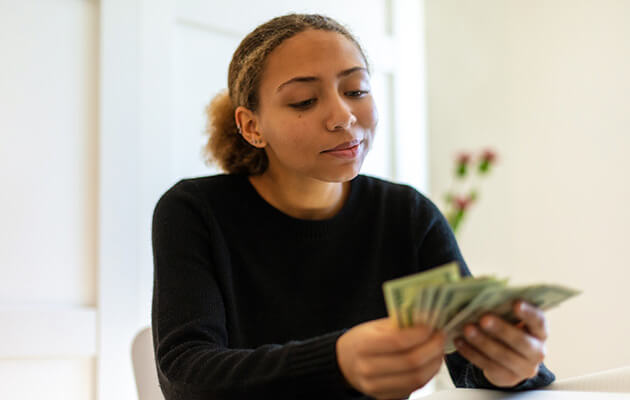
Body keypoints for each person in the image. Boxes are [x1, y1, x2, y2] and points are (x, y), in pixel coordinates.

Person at [151, 13, 555, 400]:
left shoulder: (406, 215)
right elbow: (188, 379)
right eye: (304, 100)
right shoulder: (195, 212)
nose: (343, 116)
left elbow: (469, 366)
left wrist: (511, 368)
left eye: (356, 91)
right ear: (252, 126)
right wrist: (337, 360)